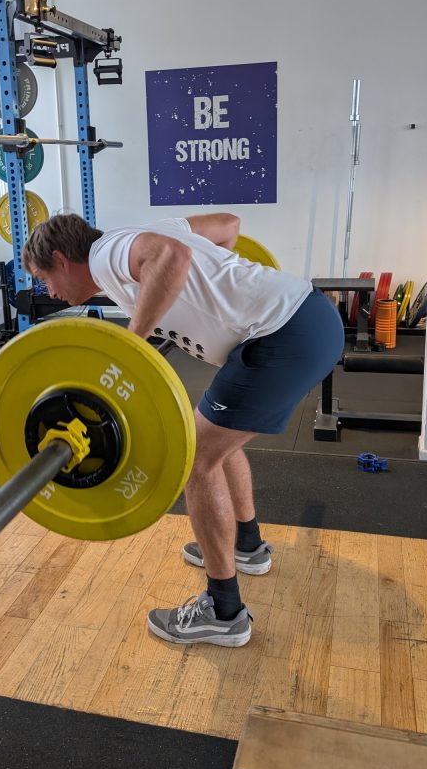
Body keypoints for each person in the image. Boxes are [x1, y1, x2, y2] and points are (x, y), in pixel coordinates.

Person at [22, 212, 344, 648]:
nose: (51, 292)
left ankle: (223, 611)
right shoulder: (134, 231)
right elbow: (228, 226)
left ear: (61, 259)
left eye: (45, 279)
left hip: (279, 338)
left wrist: (134, 344)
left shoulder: (104, 255)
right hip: (309, 317)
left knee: (194, 459)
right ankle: (245, 545)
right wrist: (214, 292)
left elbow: (172, 256)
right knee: (214, 438)